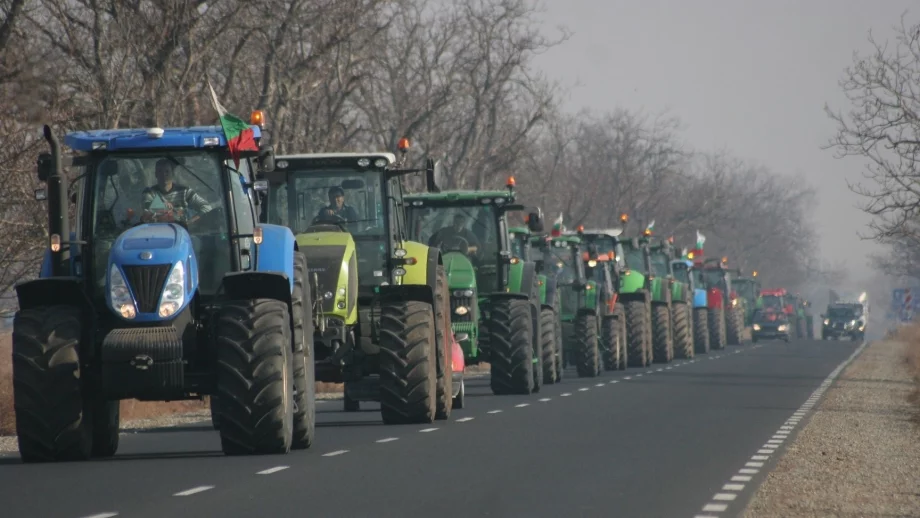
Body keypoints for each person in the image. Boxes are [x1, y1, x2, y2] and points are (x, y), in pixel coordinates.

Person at [142, 159, 213, 224]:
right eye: (160, 171)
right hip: (157, 231)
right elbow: (147, 212)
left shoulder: (185, 191)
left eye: (167, 171)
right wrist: (163, 210)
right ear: (156, 174)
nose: (163, 174)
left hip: (183, 231)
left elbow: (207, 207)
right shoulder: (150, 192)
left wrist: (190, 222)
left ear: (172, 173)